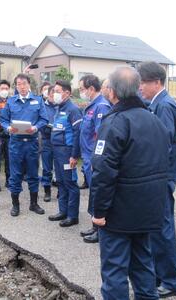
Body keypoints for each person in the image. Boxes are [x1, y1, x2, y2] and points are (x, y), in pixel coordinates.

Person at [91, 66, 169, 300]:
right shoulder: (154, 120)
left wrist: (99, 211)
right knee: (143, 264)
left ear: (113, 91)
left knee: (114, 269)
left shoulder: (115, 122)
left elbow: (104, 172)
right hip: (149, 208)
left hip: (119, 211)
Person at [137, 61, 176, 297]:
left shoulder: (164, 105)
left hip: (160, 177)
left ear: (156, 82)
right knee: (156, 230)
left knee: (163, 230)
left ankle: (173, 282)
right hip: (157, 176)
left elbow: (163, 144)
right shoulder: (156, 103)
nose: (140, 87)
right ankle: (158, 275)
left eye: (143, 83)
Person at [0, 73, 49, 217]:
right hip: (15, 144)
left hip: (32, 143)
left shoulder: (38, 100)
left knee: (33, 174)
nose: (22, 87)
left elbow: (44, 119)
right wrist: (8, 128)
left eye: (24, 83)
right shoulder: (11, 102)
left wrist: (35, 127)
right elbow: (3, 120)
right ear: (16, 86)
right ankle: (15, 205)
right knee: (15, 175)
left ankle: (34, 204)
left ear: (29, 85)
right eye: (19, 84)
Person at [78, 74, 111, 243]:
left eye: (82, 89)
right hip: (87, 156)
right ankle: (94, 226)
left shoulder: (102, 107)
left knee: (98, 193)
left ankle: (100, 230)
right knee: (93, 192)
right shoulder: (92, 105)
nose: (81, 92)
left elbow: (101, 136)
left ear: (91, 88)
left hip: (93, 157)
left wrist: (95, 160)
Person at [48, 80, 83, 227]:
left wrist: (74, 155)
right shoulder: (59, 108)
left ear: (67, 93)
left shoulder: (73, 109)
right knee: (61, 183)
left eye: (57, 91)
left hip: (67, 152)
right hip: (57, 151)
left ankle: (73, 216)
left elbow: (77, 134)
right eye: (54, 91)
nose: (54, 94)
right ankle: (63, 211)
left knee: (70, 183)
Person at [39, 82, 56, 201]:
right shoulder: (42, 106)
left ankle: (62, 191)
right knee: (47, 167)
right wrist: (49, 127)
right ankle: (47, 191)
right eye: (53, 93)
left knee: (61, 168)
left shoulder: (62, 106)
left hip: (61, 142)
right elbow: (39, 123)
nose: (55, 95)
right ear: (48, 95)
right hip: (47, 140)